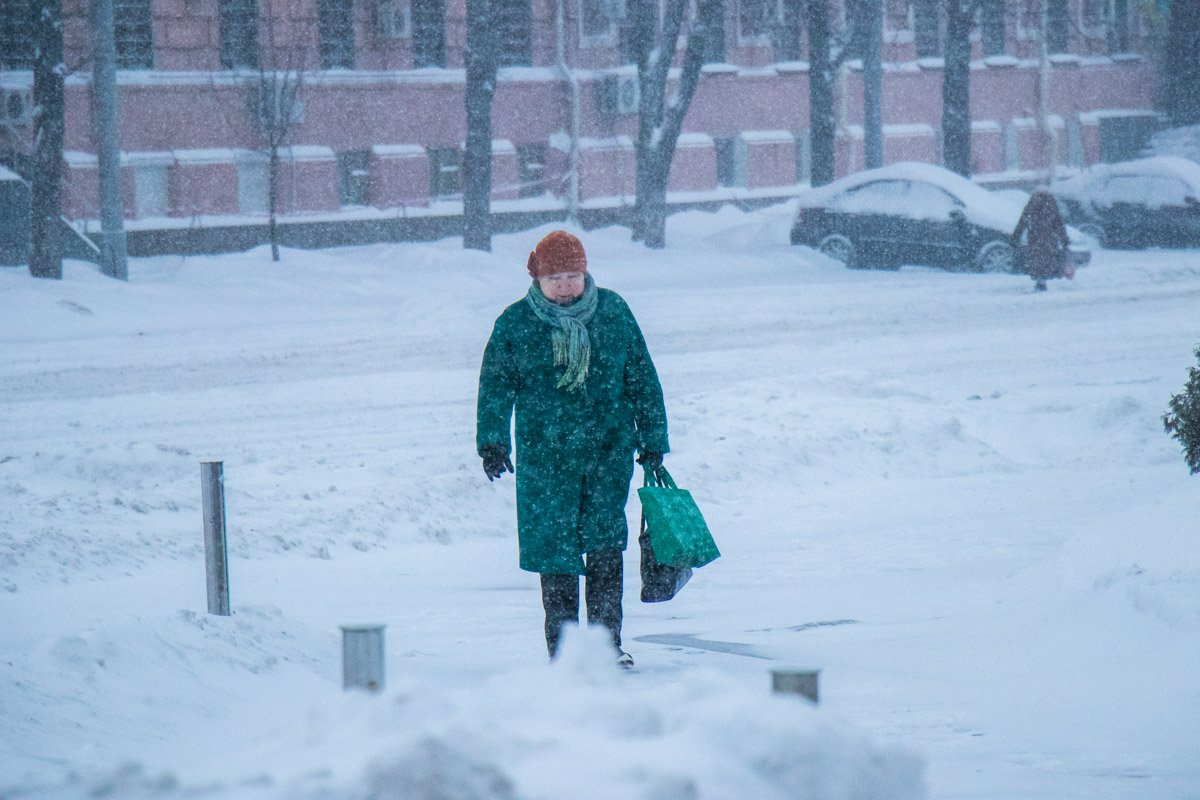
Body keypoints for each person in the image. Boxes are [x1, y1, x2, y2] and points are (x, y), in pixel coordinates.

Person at [476, 230, 668, 668]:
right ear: (538, 279)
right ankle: (562, 652)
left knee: (604, 548)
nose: (565, 284)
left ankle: (605, 646)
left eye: (573, 275)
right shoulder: (516, 323)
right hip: (546, 459)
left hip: (607, 452)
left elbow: (641, 377)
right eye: (556, 277)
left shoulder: (614, 312)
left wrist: (653, 439)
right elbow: (495, 385)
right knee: (556, 553)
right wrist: (492, 442)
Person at [1012, 189, 1071, 292]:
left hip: (1035, 238)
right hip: (1049, 239)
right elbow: (1059, 224)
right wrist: (1064, 239)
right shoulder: (1051, 205)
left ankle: (1040, 280)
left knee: (1037, 260)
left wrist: (1016, 236)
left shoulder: (1031, 206)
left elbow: (1022, 222)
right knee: (1047, 260)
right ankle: (1043, 279)